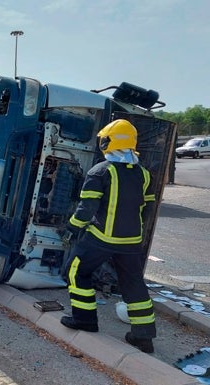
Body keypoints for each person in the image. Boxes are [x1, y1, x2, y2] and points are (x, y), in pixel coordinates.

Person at [60, 119, 157, 354]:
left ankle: (84, 319)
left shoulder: (101, 171)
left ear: (106, 142)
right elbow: (148, 208)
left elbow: (87, 208)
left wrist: (71, 228)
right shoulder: (143, 174)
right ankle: (143, 337)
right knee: (133, 284)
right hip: (131, 242)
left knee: (76, 271)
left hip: (101, 238)